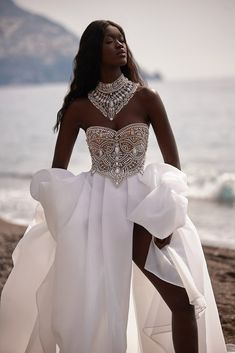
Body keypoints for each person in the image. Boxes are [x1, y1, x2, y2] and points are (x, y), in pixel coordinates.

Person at [0, 20, 229, 353]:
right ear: (95, 50)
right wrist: (66, 222)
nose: (120, 45)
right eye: (110, 41)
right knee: (97, 307)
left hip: (144, 209)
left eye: (122, 40)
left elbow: (172, 166)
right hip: (98, 212)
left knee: (182, 300)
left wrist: (164, 216)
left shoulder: (148, 98)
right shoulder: (78, 108)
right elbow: (57, 173)